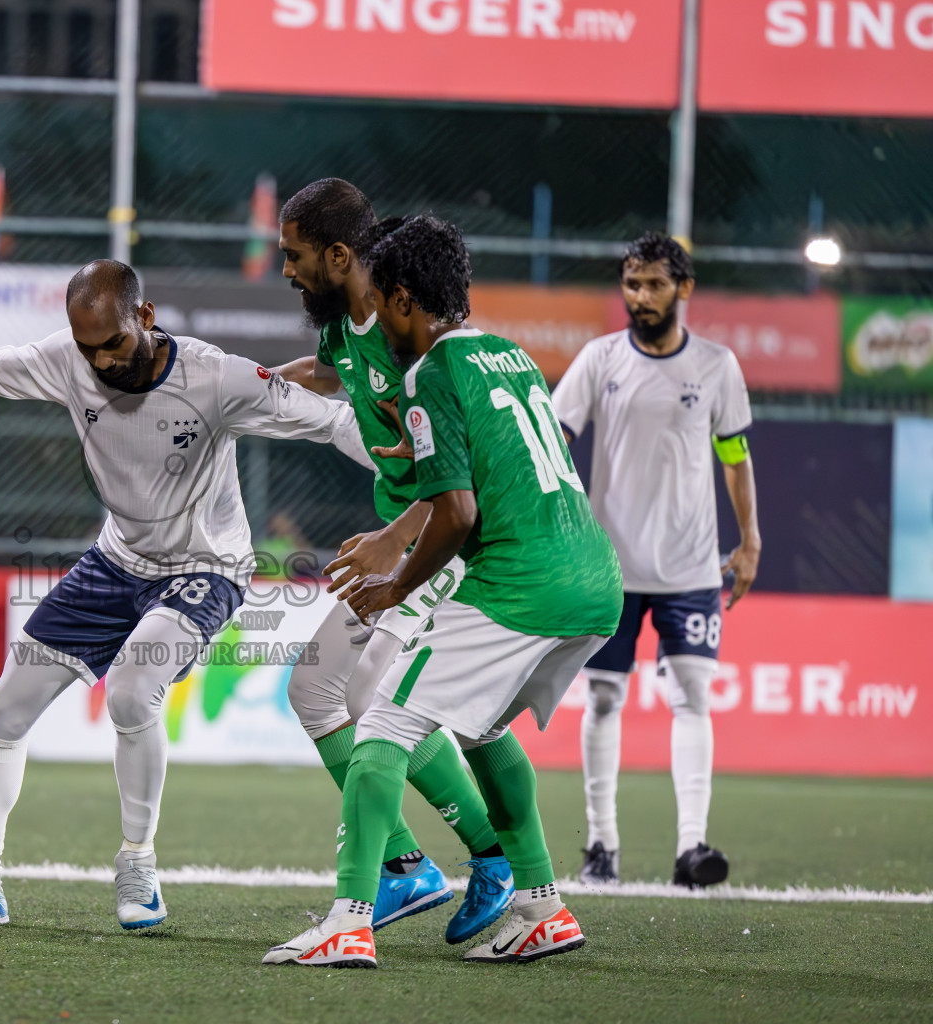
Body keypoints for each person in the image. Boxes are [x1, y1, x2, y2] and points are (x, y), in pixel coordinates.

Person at [0, 258, 374, 931]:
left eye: (113, 344)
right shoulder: (67, 361)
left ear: (146, 317)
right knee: (5, 710)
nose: (100, 362)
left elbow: (332, 422)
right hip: (116, 561)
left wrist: (431, 479)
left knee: (133, 691)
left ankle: (138, 862)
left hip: (206, 567)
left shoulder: (215, 377)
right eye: (87, 347)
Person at [266, 215, 622, 968]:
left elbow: (456, 511)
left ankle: (350, 918)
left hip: (520, 582)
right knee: (482, 727)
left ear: (400, 300)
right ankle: (540, 906)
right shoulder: (510, 353)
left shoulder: (431, 375)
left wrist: (397, 583)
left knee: (384, 723)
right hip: (594, 577)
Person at [269, 179, 511, 944]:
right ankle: (410, 866)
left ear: (341, 255)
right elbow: (329, 375)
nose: (286, 270)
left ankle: (493, 859)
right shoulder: (345, 325)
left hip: (444, 540)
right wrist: (252, 386)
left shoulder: (413, 335)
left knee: (372, 695)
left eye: (294, 255)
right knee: (316, 689)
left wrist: (394, 538)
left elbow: (457, 481)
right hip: (409, 540)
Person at [552, 231, 760, 888]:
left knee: (692, 698)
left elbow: (735, 458)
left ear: (684, 289)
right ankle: (601, 848)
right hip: (608, 568)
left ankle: (692, 849)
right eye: (632, 284)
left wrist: (750, 539)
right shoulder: (598, 359)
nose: (640, 297)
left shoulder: (718, 366)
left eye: (655, 285)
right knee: (606, 699)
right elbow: (555, 441)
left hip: (692, 569)